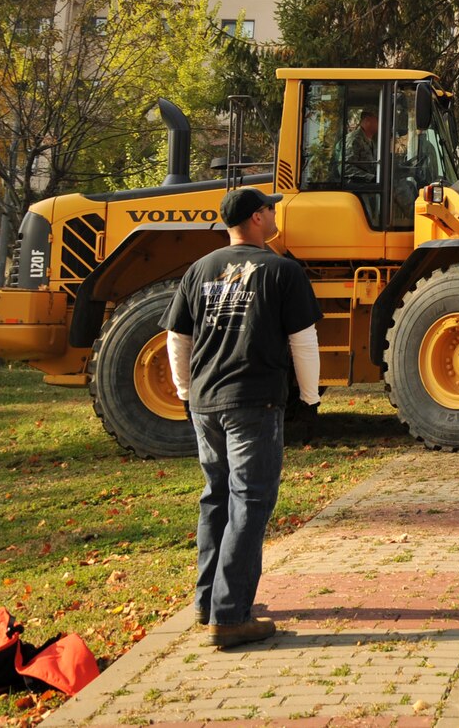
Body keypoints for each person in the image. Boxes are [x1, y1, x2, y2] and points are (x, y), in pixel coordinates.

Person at [163, 187, 320, 649]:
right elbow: (303, 340)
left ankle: (207, 601)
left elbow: (177, 336)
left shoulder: (199, 269)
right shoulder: (282, 271)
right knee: (250, 502)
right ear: (257, 218)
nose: (275, 214)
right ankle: (230, 618)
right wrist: (309, 398)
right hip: (253, 402)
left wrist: (186, 391)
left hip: (206, 403)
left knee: (216, 496)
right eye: (270, 209)